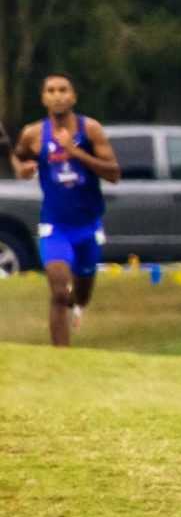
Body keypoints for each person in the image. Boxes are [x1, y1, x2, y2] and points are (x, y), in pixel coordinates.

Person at [9, 73, 121, 347]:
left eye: (63, 90)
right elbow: (18, 158)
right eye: (51, 90)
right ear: (43, 98)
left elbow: (114, 174)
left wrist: (77, 152)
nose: (57, 95)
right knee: (59, 292)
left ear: (73, 96)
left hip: (88, 224)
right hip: (55, 225)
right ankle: (62, 356)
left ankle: (79, 303)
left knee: (81, 291)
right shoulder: (33, 133)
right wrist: (21, 169)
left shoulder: (90, 129)